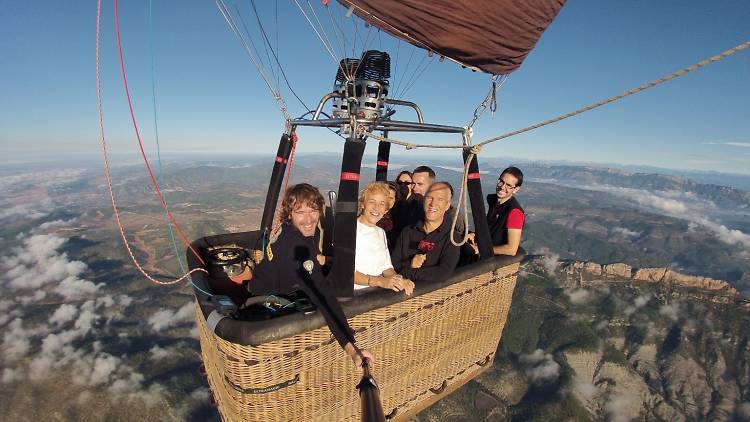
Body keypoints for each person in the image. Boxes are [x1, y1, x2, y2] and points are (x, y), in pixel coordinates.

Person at [246, 183, 374, 367]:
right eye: (300, 212)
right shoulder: (298, 246)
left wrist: (322, 259)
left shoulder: (288, 230)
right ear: (290, 214)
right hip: (269, 307)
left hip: (259, 288)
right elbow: (323, 296)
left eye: (313, 210)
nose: (308, 219)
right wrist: (351, 347)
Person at [391, 182, 460, 283]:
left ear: (447, 205)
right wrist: (410, 263)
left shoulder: (452, 238)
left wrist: (408, 272)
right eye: (429, 198)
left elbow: (443, 273)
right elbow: (392, 265)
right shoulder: (408, 232)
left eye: (440, 199)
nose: (433, 204)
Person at [355, 182, 415, 295]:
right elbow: (345, 272)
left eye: (382, 204)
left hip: (376, 295)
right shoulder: (350, 230)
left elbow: (386, 267)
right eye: (372, 202)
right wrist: (379, 281)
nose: (376, 208)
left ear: (386, 210)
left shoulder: (380, 232)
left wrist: (399, 281)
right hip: (355, 296)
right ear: (362, 204)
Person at [468, 167, 525, 257]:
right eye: (501, 181)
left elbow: (511, 249)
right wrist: (475, 235)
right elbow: (491, 229)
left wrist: (482, 249)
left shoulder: (515, 213)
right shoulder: (494, 201)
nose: (502, 187)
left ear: (516, 189)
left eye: (508, 185)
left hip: (493, 260)